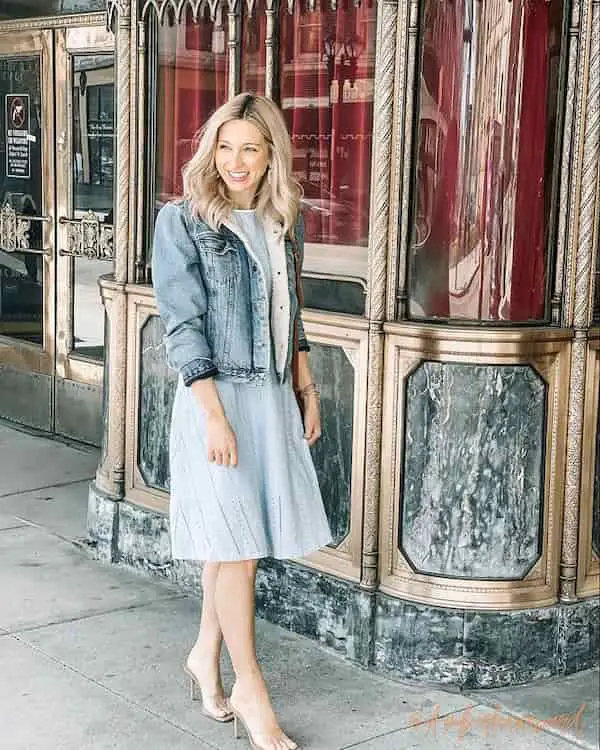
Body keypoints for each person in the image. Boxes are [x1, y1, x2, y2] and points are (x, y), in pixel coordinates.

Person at [152, 93, 332, 750]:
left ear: (269, 155)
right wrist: (213, 419)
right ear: (211, 152)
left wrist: (306, 387)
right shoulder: (184, 221)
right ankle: (251, 687)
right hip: (217, 400)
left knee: (238, 547)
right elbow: (183, 324)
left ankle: (206, 654)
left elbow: (294, 312)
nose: (236, 161)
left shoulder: (284, 220)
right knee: (236, 548)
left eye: (250, 148)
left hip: (271, 396)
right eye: (225, 147)